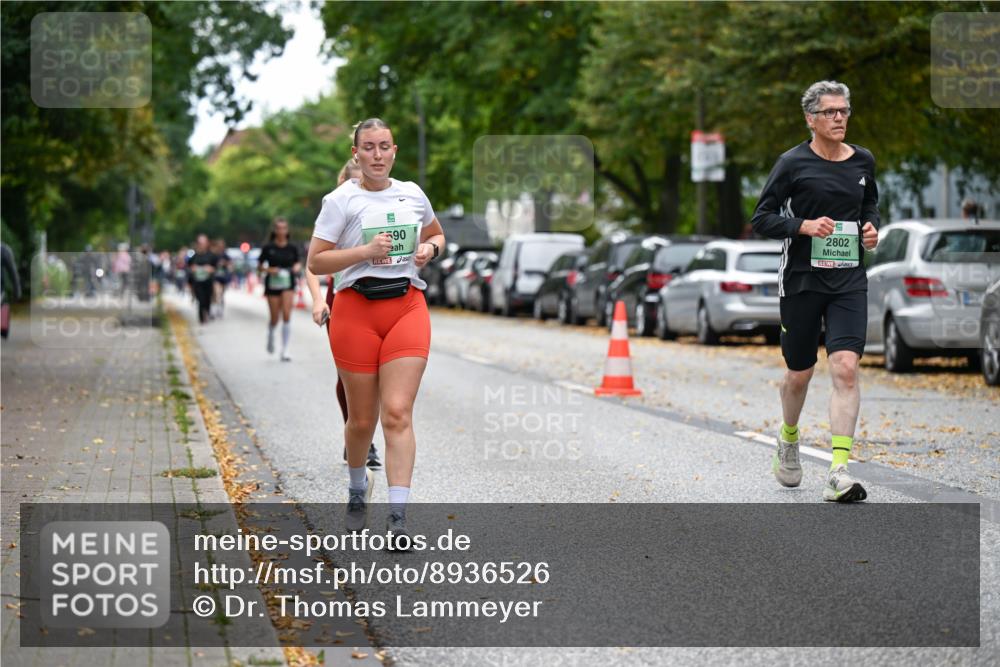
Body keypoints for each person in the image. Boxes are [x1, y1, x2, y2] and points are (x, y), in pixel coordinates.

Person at [308, 118, 445, 540]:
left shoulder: (413, 194)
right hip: (355, 310)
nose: (377, 155)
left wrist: (428, 249)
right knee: (361, 420)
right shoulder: (340, 200)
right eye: (368, 147)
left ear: (394, 150)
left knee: (398, 413)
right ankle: (356, 488)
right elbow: (316, 262)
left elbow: (439, 235)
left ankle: (398, 516)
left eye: (384, 146)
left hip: (406, 305)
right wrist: (365, 251)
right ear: (356, 153)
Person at [750, 81, 879, 503]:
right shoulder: (791, 163)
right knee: (800, 372)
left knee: (844, 367)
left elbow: (869, 207)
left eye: (845, 110)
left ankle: (838, 471)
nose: (840, 117)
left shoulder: (863, 161)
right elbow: (762, 218)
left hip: (848, 280)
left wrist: (871, 229)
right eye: (831, 112)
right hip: (802, 279)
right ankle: (788, 438)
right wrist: (803, 226)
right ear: (811, 119)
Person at [305, 159, 382, 469]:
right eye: (352, 181)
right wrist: (316, 301)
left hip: (373, 298)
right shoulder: (335, 211)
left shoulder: (375, 210)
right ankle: (360, 438)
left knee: (375, 376)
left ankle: (361, 435)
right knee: (348, 374)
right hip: (339, 299)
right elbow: (312, 264)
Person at [260, 218, 301, 361]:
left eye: (284, 228)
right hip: (273, 284)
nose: (281, 231)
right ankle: (271, 333)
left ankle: (285, 350)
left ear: (287, 230)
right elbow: (260, 266)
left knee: (287, 315)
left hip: (288, 283)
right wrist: (270, 269)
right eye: (278, 228)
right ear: (274, 230)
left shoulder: (292, 248)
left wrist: (296, 268)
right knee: (274, 317)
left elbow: (297, 263)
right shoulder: (268, 248)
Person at [188, 235, 217, 325]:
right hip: (197, 281)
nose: (202, 245)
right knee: (200, 298)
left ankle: (207, 311)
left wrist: (210, 269)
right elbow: (189, 266)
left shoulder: (211, 255)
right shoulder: (194, 256)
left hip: (208, 281)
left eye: (203, 243)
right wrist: (194, 269)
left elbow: (215, 267)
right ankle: (201, 318)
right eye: (200, 243)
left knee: (207, 298)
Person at [211, 238, 231, 318]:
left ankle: (220, 308)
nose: (220, 247)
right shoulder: (214, 255)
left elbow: (230, 265)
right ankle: (214, 309)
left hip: (223, 277)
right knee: (216, 293)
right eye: (219, 246)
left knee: (221, 294)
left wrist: (225, 264)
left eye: (221, 246)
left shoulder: (225, 255)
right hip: (215, 277)